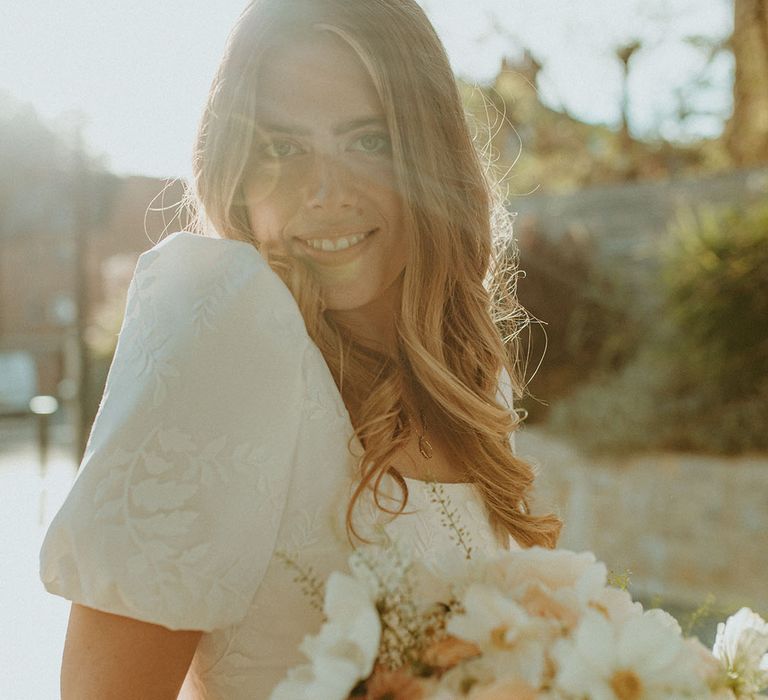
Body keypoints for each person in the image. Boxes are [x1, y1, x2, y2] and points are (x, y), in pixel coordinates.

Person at [39, 0, 562, 697]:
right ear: (236, 171)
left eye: (369, 141)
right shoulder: (226, 325)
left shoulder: (470, 377)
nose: (323, 193)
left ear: (431, 155)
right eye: (281, 149)